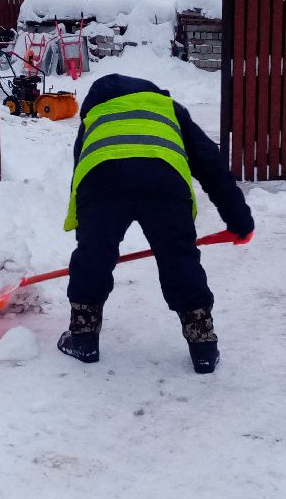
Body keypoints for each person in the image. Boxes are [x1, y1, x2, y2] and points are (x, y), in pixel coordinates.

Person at [58, 73, 254, 374]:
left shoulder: (95, 116)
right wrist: (239, 220)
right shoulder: (167, 108)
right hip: (165, 180)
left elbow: (80, 170)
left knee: (93, 256)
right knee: (179, 257)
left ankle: (83, 338)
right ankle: (202, 344)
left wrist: (87, 231)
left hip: (103, 179)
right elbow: (209, 162)